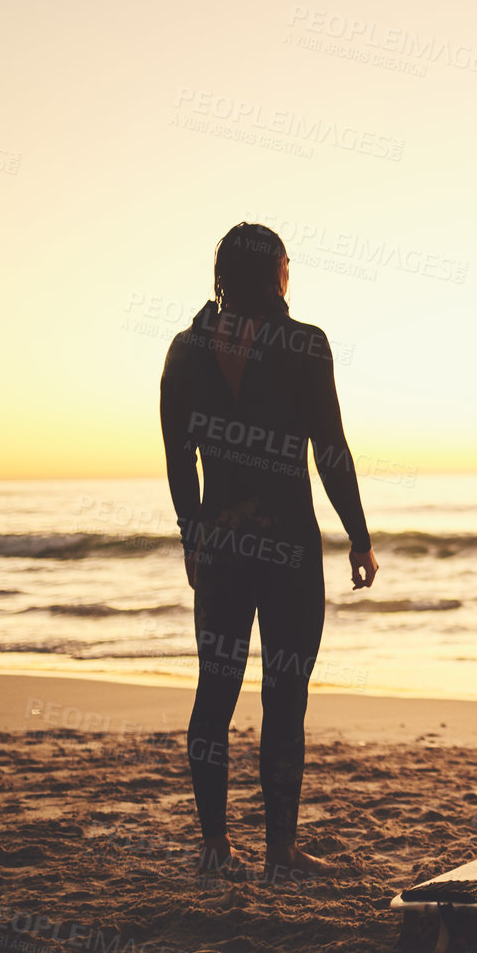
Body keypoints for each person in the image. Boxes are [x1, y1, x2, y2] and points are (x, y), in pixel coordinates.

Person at [159, 222, 378, 883]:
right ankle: (280, 851)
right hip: (287, 546)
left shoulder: (185, 348)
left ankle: (215, 847)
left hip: (222, 545)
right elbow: (330, 448)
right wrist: (359, 535)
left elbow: (178, 457)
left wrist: (192, 534)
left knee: (214, 695)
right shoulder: (303, 344)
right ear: (276, 271)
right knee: (285, 696)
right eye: (287, 264)